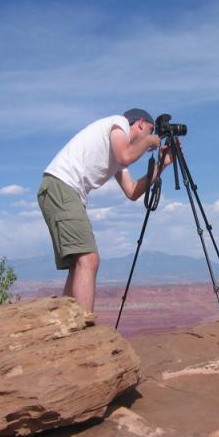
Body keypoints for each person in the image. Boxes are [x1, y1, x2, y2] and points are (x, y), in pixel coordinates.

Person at [37, 108, 171, 313]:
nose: (153, 136)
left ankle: (65, 321)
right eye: (151, 130)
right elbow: (126, 156)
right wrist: (148, 142)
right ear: (141, 123)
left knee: (78, 265)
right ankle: (84, 329)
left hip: (64, 191)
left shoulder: (118, 150)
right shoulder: (119, 123)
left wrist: (162, 164)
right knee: (89, 259)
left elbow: (133, 191)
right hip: (62, 186)